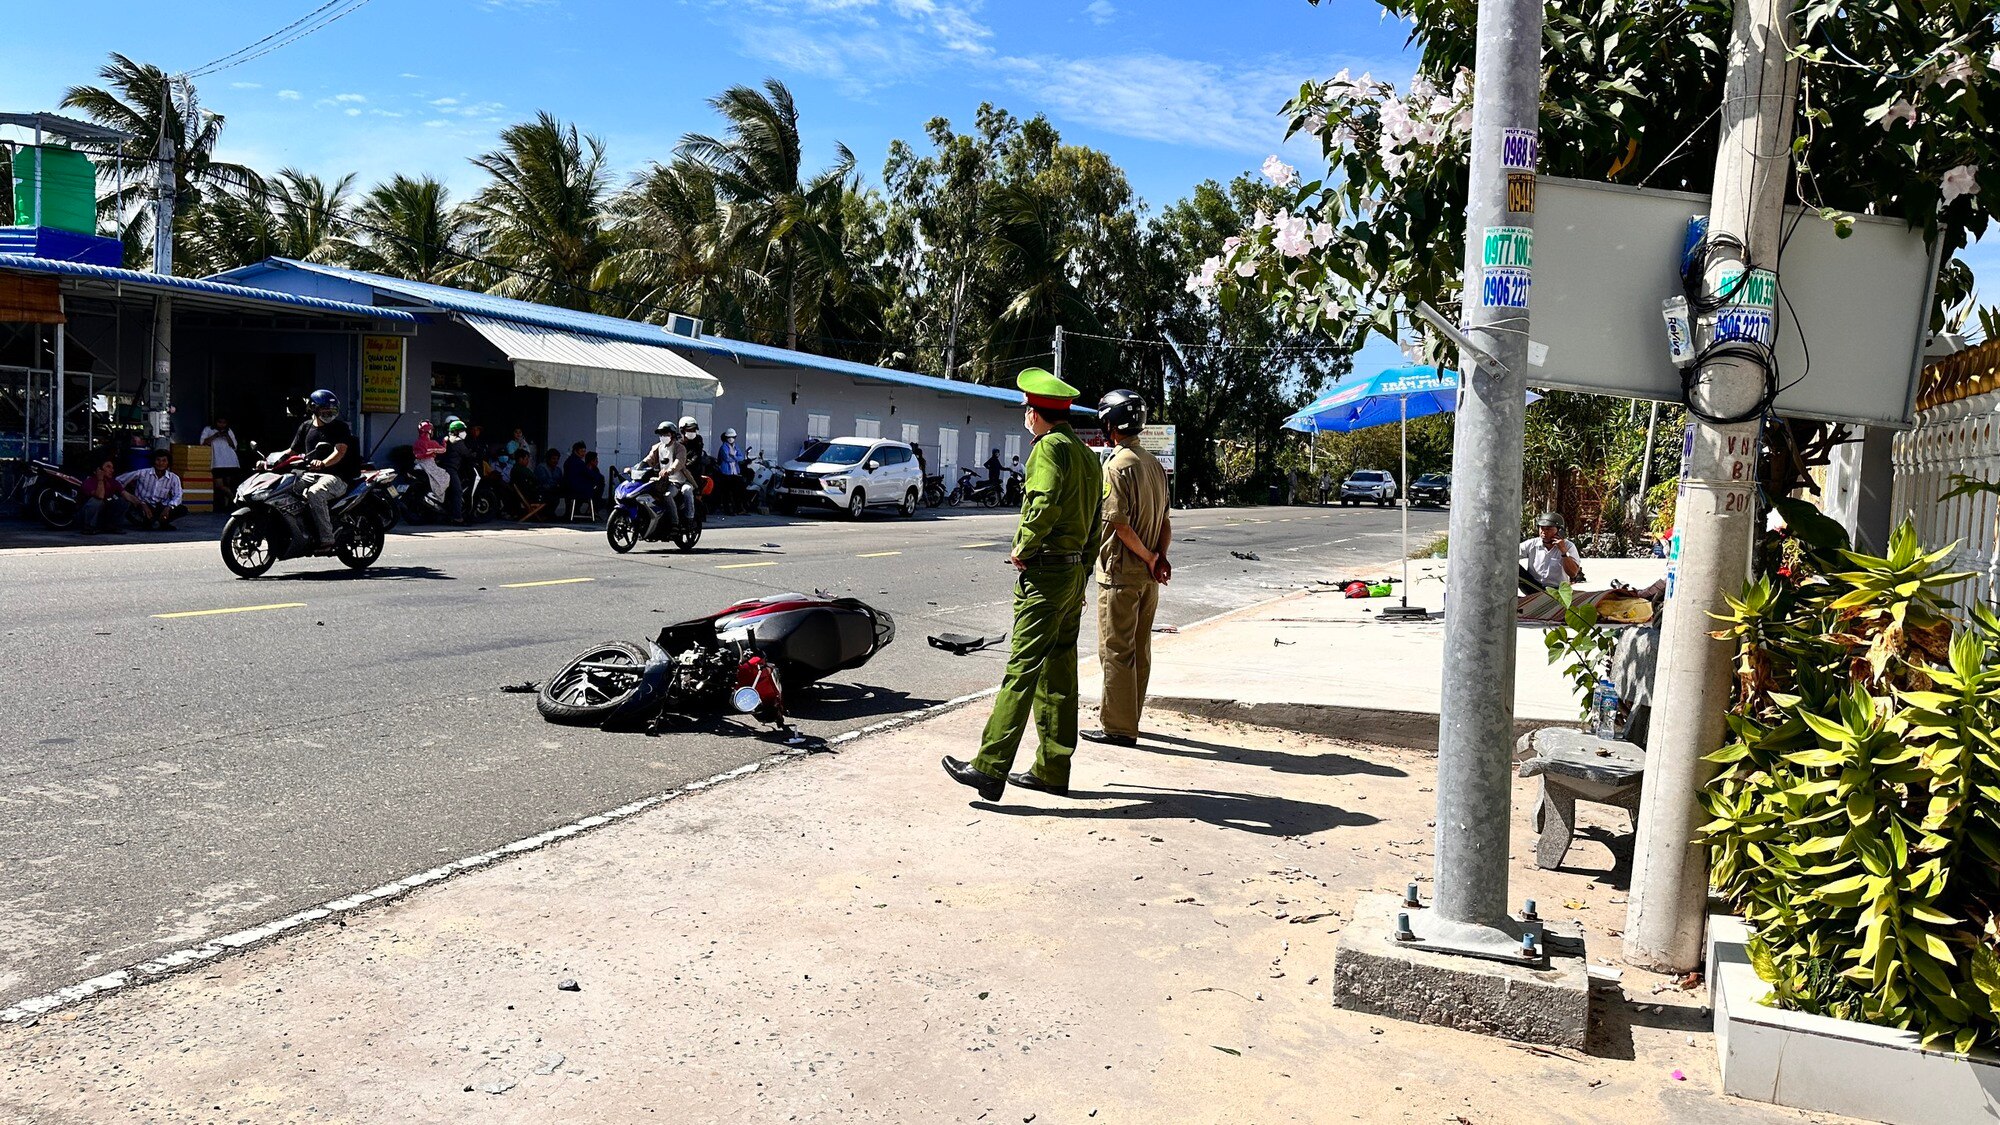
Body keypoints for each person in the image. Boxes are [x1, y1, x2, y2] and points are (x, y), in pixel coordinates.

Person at [942, 368, 1103, 801]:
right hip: (1071, 573)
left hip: (1047, 573)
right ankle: (1053, 768)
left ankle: (990, 767)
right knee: (1060, 671)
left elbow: (1044, 501)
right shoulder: (1086, 454)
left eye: (1028, 410)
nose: (1026, 417)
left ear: (1037, 413)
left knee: (1022, 669)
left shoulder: (1048, 448)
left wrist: (1023, 547)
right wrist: (1083, 572)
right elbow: (1095, 523)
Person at [1083, 389, 1172, 748]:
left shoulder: (1116, 466)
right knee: (1140, 647)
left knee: (1116, 649)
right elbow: (1165, 521)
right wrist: (1159, 557)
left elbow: (1118, 523)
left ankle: (1117, 728)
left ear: (1110, 425)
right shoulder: (1153, 464)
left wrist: (1149, 557)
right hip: (1148, 578)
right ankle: (1130, 717)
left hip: (1121, 572)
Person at [282, 389, 360, 551]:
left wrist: (323, 463)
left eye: (332, 411)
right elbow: (291, 452)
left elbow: (340, 451)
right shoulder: (305, 427)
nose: (328, 414)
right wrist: (270, 459)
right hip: (309, 474)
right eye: (324, 410)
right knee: (285, 490)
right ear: (313, 409)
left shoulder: (340, 427)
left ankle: (327, 539)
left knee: (315, 493)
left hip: (335, 477)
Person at [641, 420, 697, 532]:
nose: (664, 436)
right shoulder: (657, 447)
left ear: (672, 435)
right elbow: (649, 460)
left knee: (683, 492)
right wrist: (636, 467)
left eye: (666, 434)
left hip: (679, 482)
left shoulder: (679, 447)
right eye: (661, 434)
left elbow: (679, 462)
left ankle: (680, 522)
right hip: (664, 481)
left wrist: (669, 471)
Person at [118, 449, 188, 530]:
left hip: (161, 506)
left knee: (182, 509)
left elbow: (178, 495)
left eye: (164, 460)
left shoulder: (173, 478)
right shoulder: (142, 473)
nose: (160, 463)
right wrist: (128, 495)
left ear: (168, 463)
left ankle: (162, 522)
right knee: (133, 511)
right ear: (154, 461)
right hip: (143, 505)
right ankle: (150, 522)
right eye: (158, 460)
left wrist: (169, 507)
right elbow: (119, 480)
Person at [1520, 511, 1585, 590]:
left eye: (1548, 529)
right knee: (1516, 568)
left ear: (1559, 531)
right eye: (1541, 528)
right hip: (1533, 587)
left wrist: (1563, 552)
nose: (1543, 532)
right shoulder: (1532, 544)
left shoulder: (1569, 546)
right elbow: (1511, 554)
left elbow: (1573, 573)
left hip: (1556, 590)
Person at [77, 457, 136, 534]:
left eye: (112, 467)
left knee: (123, 501)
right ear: (99, 470)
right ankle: (88, 527)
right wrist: (100, 479)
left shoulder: (113, 482)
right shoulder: (89, 482)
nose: (112, 470)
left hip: (102, 516)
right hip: (85, 517)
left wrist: (142, 504)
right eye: (108, 467)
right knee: (97, 501)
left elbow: (126, 494)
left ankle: (112, 526)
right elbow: (100, 496)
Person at [201, 416, 242, 507]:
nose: (222, 424)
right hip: (216, 462)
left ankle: (227, 505)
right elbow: (203, 443)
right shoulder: (208, 430)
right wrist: (215, 436)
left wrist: (226, 435)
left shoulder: (229, 431)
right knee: (219, 486)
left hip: (230, 461)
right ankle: (235, 500)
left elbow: (234, 445)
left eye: (224, 422)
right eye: (220, 422)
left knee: (228, 484)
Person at [411, 420, 450, 510]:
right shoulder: (431, 443)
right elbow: (443, 450)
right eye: (431, 430)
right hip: (428, 464)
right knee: (446, 476)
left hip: (417, 463)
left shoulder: (417, 442)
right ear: (428, 431)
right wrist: (444, 441)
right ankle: (439, 496)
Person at [439, 419, 472, 522]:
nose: (464, 432)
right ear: (456, 431)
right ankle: (457, 517)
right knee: (458, 492)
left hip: (442, 467)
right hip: (450, 469)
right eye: (462, 430)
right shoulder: (458, 442)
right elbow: (467, 454)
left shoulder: (446, 439)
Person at [509, 448, 547, 520]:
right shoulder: (522, 470)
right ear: (520, 459)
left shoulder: (514, 469)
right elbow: (536, 479)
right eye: (526, 459)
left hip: (523, 494)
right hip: (529, 495)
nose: (528, 461)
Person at [715, 427, 743, 513]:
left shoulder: (736, 446)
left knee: (736, 492)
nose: (731, 439)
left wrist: (733, 457)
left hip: (735, 472)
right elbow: (726, 458)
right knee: (726, 493)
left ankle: (738, 509)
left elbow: (741, 457)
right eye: (729, 437)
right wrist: (735, 458)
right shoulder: (724, 447)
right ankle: (727, 510)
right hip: (726, 473)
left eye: (733, 437)